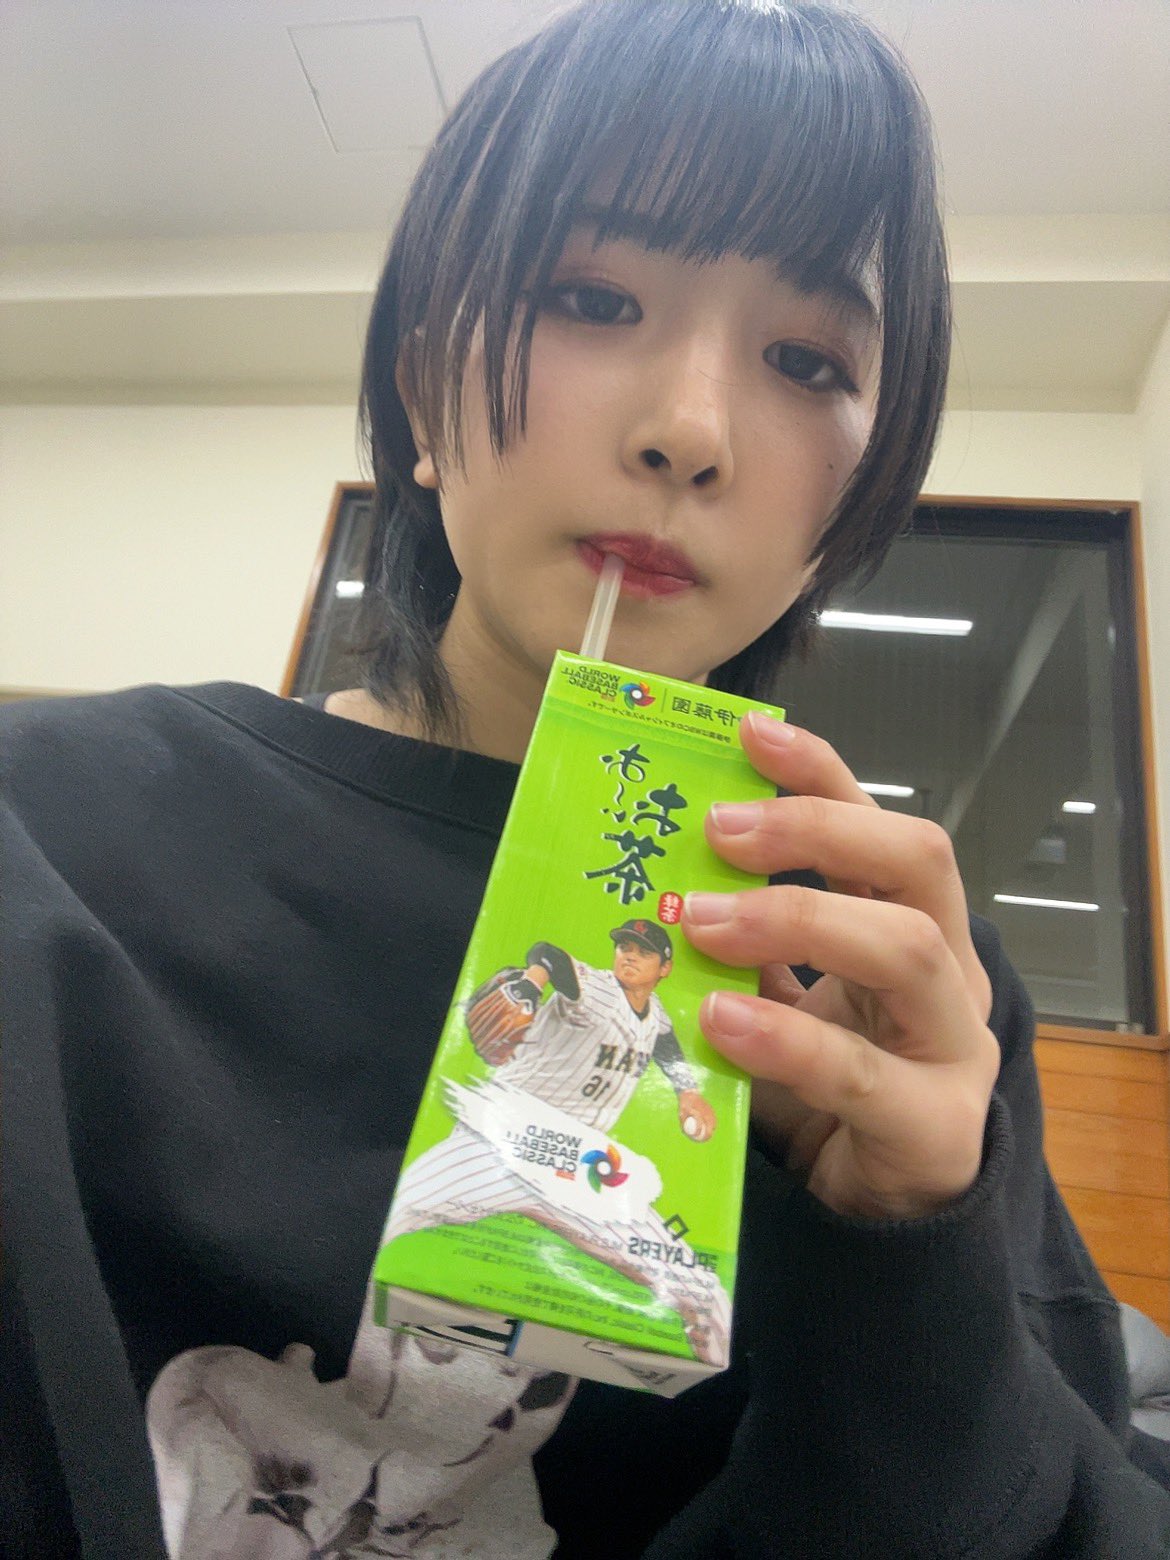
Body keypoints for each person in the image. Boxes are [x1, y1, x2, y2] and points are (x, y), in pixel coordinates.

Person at [3, 1, 1170, 1555]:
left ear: (851, 499)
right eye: (589, 297)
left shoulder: (893, 990)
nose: (689, 430)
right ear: (424, 391)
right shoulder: (45, 836)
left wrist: (909, 1255)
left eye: (804, 357)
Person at [385, 921, 727, 1366]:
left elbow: (661, 1036)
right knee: (397, 1211)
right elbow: (547, 952)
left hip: (578, 1165)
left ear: (665, 968)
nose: (628, 955)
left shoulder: (653, 1010)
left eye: (642, 951)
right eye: (624, 946)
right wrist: (531, 984)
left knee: (704, 1294)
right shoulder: (597, 989)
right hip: (498, 1144)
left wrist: (687, 1090)